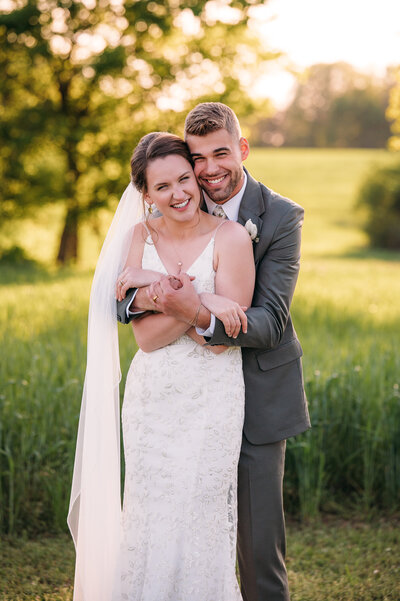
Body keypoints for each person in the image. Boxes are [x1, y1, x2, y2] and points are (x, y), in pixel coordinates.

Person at [121, 103, 311, 601]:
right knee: (169, 523)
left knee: (256, 544)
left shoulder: (281, 216)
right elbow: (128, 301)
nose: (207, 170)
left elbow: (270, 321)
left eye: (220, 153)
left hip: (258, 392)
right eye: (197, 157)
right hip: (176, 393)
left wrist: (197, 311)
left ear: (242, 150)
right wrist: (159, 295)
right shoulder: (173, 208)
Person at [68, 131, 255, 601]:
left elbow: (220, 341)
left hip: (212, 398)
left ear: (196, 177)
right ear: (146, 196)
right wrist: (203, 300)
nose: (180, 194)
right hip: (152, 401)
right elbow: (146, 339)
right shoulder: (138, 237)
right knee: (150, 514)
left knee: (199, 516)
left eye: (185, 179)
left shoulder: (232, 238)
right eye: (163, 187)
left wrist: (158, 287)